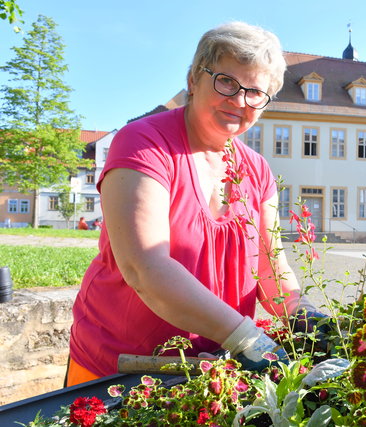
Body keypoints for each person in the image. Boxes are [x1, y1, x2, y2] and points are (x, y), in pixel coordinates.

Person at [67, 22, 323, 386]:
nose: (239, 101)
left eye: (256, 93)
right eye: (227, 82)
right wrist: (245, 338)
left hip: (212, 372)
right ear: (193, 79)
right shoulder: (143, 144)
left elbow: (270, 268)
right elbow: (145, 267)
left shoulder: (258, 171)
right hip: (121, 368)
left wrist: (306, 316)